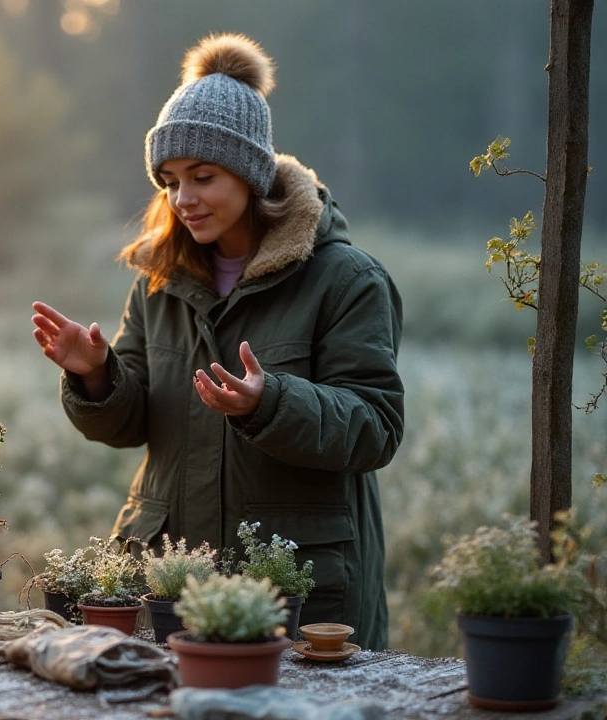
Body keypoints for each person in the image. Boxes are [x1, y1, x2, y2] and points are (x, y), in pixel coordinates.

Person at [31, 33, 403, 650]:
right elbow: (131, 424)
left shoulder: (345, 279)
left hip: (299, 590)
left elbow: (376, 426)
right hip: (173, 584)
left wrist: (271, 403)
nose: (183, 199)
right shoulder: (160, 280)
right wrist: (96, 375)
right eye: (170, 180)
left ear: (251, 172)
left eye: (202, 176)